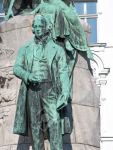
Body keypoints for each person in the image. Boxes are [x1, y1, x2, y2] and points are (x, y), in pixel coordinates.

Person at [13, 16, 71, 150]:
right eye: (36, 27)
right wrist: (27, 75)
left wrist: (65, 92)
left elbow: (63, 72)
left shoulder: (57, 49)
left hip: (50, 88)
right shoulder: (25, 48)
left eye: (40, 27)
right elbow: (16, 68)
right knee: (35, 125)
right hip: (32, 89)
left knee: (54, 121)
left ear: (46, 29)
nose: (38, 29)